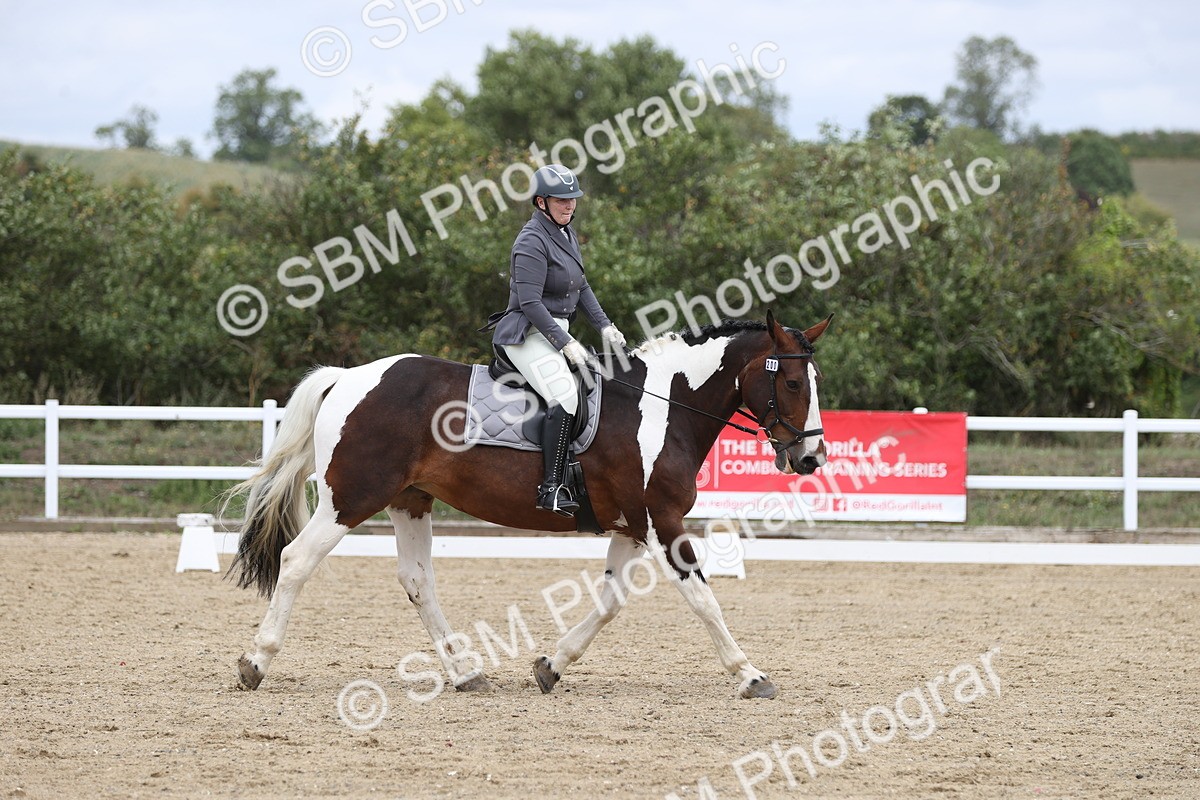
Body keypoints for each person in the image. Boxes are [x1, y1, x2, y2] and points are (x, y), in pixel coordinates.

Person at [483, 164, 626, 517]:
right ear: (541, 202)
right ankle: (551, 488)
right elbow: (530, 304)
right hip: (526, 334)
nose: (569, 205)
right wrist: (565, 342)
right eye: (561, 200)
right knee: (563, 394)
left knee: (595, 384)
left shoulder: (565, 234)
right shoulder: (531, 240)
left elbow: (582, 286)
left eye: (573, 199)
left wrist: (605, 326)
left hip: (555, 332)